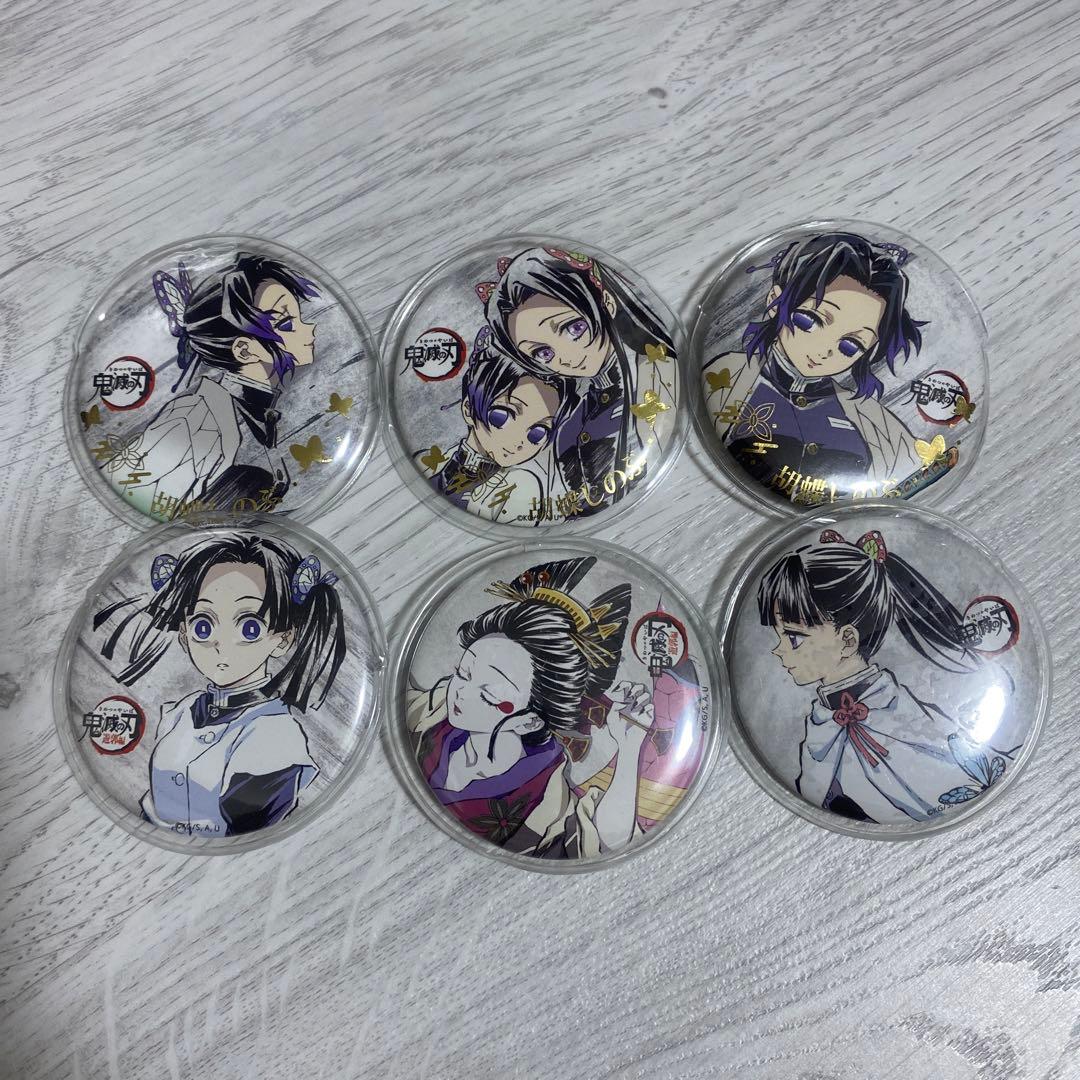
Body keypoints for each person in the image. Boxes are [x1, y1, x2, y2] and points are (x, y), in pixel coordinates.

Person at [757, 528, 1018, 823]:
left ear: (847, 640)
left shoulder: (900, 715)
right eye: (779, 636)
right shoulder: (822, 722)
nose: (778, 650)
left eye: (793, 637)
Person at [95, 532, 345, 836]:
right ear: (185, 634)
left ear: (282, 639)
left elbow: (249, 830)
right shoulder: (181, 711)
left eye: (250, 628)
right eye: (203, 626)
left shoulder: (277, 734)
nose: (220, 644)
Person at [406, 556, 652, 858]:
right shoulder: (436, 712)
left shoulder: (543, 796)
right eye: (463, 672)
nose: (460, 692)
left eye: (490, 695)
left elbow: (605, 840)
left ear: (531, 721)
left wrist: (629, 749)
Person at [704, 232, 926, 501]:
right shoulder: (726, 376)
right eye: (809, 321)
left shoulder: (874, 422)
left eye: (850, 346)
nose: (824, 350)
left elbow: (912, 478)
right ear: (775, 302)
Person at [105, 253, 320, 519]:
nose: (310, 328)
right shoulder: (192, 418)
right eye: (287, 323)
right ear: (244, 350)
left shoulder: (252, 414)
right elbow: (127, 491)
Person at [478, 247, 677, 513]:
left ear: (606, 303)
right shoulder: (568, 422)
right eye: (543, 352)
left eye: (574, 328)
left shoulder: (658, 375)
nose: (568, 357)